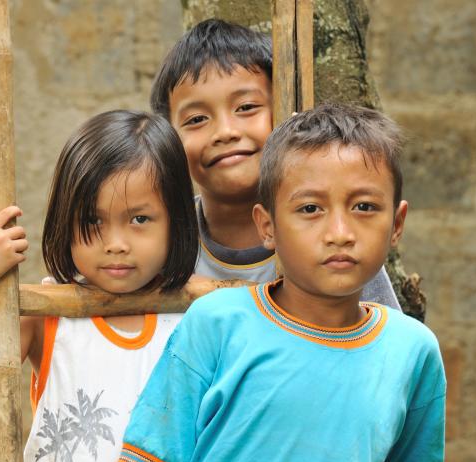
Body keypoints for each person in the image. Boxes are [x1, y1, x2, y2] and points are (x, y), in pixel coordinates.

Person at [118, 104, 446, 462]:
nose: (339, 232)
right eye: (310, 208)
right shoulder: (216, 324)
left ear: (396, 224)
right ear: (267, 227)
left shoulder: (413, 351)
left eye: (364, 207)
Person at [0, 110, 199, 462]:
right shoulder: (48, 316)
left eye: (139, 219)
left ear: (176, 220)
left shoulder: (194, 314)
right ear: (65, 221)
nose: (115, 243)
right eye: (93, 221)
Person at [151, 18, 401, 308]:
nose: (225, 132)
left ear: (284, 113)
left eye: (246, 107)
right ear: (168, 139)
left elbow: (382, 341)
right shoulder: (160, 242)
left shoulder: (334, 236)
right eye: (196, 120)